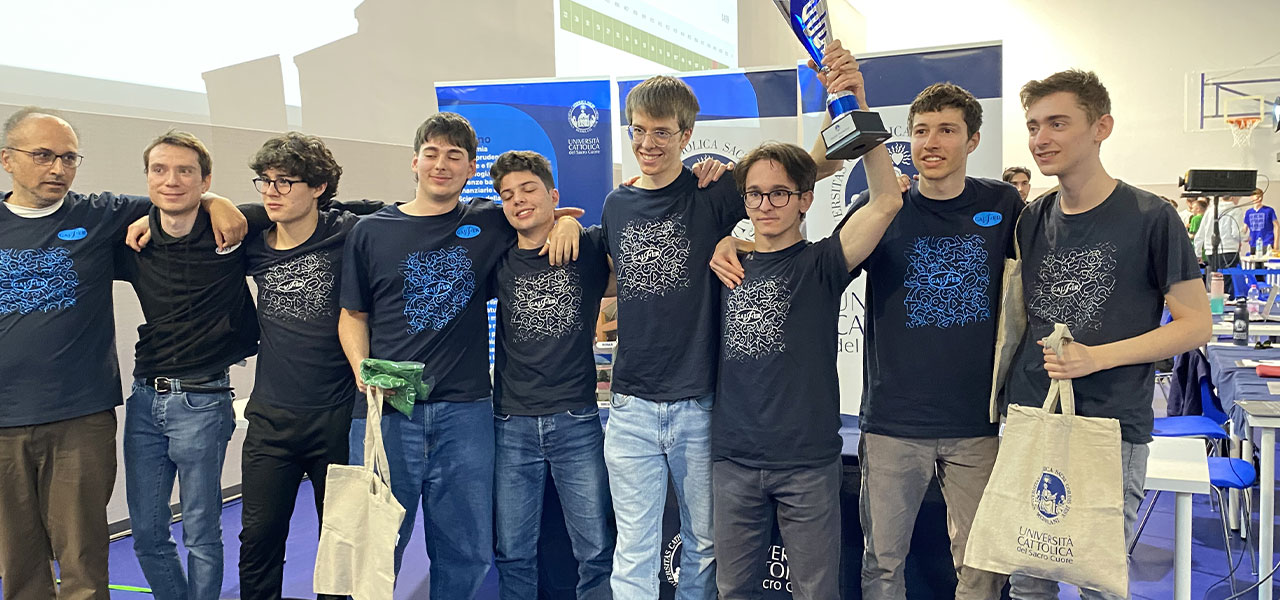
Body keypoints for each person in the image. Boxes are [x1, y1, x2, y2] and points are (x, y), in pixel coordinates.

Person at [0, 108, 241, 600]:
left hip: (80, 415)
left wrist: (217, 201)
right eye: (43, 155)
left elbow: (175, 196)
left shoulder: (99, 214)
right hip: (3, 418)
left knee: (83, 555)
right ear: (7, 159)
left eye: (69, 158)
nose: (58, 168)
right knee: (17, 558)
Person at [337, 112, 581, 597]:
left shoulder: (488, 221)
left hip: (465, 414)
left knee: (466, 552)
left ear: (471, 168)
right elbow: (352, 315)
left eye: (454, 156)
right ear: (414, 162)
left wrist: (567, 225)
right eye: (431, 154)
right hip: (388, 412)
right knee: (375, 549)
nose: (441, 164)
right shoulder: (370, 231)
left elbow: (545, 217)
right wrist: (362, 370)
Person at [1006, 69, 1210, 599]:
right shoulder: (1032, 219)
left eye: (1057, 123)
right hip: (1034, 417)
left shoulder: (1151, 216)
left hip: (1110, 426)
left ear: (1101, 127)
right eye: (1033, 126)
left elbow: (1195, 324)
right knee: (1028, 583)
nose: (1040, 138)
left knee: (1099, 583)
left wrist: (1097, 357)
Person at [708, 49, 904, 597]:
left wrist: (856, 105)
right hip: (733, 459)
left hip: (807, 463)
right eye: (755, 194)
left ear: (805, 200)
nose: (766, 204)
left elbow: (887, 201)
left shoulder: (822, 263)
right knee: (732, 590)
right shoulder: (725, 262)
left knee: (816, 590)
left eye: (780, 193)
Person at [841, 82, 1022, 599]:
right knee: (882, 562)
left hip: (977, 422)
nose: (931, 142)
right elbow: (821, 271)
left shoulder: (1003, 203)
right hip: (893, 422)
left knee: (982, 564)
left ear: (973, 140)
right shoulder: (879, 207)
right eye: (921, 131)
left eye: (947, 130)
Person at [114, 131, 258, 600]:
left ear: (205, 179)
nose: (171, 180)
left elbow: (303, 210)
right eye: (160, 170)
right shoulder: (132, 241)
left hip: (203, 400)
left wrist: (218, 202)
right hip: (143, 399)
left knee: (200, 532)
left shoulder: (232, 231)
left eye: (185, 171)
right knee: (147, 534)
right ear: (147, 178)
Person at [488, 150, 616, 599]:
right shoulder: (497, 258)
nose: (518, 200)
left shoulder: (588, 248)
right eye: (508, 195)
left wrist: (569, 226)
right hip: (511, 423)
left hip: (575, 419)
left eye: (528, 190)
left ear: (553, 196)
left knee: (595, 549)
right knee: (513, 552)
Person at [237, 132, 357, 600]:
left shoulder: (348, 232)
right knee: (258, 540)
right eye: (265, 181)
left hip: (337, 418)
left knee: (340, 544)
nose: (272, 191)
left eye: (285, 182)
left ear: (318, 187)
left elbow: (411, 214)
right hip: (271, 421)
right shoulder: (253, 244)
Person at [1193, 194, 1244, 297]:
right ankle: (1227, 302)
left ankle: (1215, 302)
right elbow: (1236, 233)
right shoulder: (1235, 210)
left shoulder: (1210, 211)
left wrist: (1197, 253)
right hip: (1229, 250)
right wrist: (1246, 236)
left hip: (1210, 251)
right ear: (1232, 197)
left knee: (1214, 281)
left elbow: (1200, 234)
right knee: (1228, 282)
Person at [1244, 187, 1276, 254]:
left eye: (1261, 197)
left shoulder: (1269, 210)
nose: (1260, 199)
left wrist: (1276, 244)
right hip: (1253, 243)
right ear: (1251, 197)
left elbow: (1277, 226)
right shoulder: (1248, 212)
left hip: (1267, 242)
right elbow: (1245, 228)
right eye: (1258, 197)